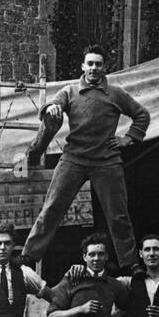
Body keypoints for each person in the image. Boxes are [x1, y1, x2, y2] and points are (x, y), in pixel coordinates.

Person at [21, 44, 149, 271]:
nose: (94, 68)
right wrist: (52, 109)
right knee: (52, 208)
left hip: (106, 160)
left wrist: (128, 139)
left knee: (118, 215)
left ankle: (130, 263)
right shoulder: (70, 91)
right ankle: (29, 256)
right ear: (83, 66)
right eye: (90, 64)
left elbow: (142, 115)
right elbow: (53, 104)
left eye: (98, 64)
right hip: (74, 158)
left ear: (104, 68)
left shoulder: (116, 94)